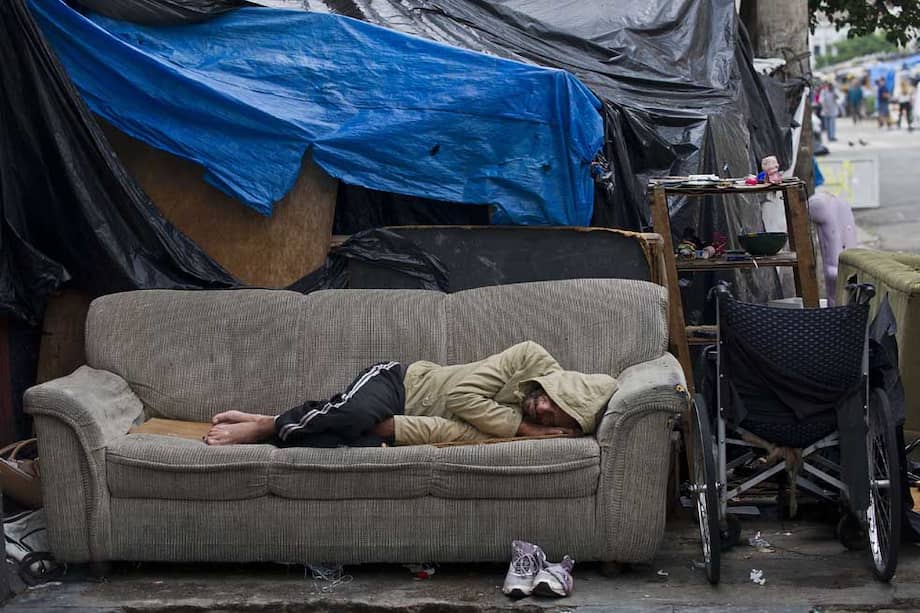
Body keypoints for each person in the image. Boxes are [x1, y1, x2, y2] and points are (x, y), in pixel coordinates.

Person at [203, 341, 618, 447]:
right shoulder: (530, 356)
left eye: (550, 418)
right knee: (350, 418)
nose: (541, 409)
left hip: (402, 417)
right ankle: (267, 425)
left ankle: (271, 424)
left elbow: (457, 433)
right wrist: (520, 427)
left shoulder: (535, 431)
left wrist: (397, 427)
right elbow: (461, 397)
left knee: (346, 444)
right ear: (560, 385)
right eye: (551, 401)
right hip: (398, 383)